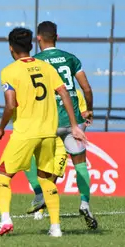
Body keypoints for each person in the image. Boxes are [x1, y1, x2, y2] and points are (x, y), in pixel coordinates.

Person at [0, 27, 86, 238]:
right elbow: (64, 92)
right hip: (48, 133)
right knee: (46, 179)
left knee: (2, 176)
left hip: (25, 132)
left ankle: (5, 220)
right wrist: (74, 125)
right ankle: (56, 227)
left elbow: (10, 105)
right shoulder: (45, 67)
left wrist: (0, 128)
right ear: (31, 45)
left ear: (11, 48)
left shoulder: (9, 71)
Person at [23, 21, 97, 229]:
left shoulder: (35, 61)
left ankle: (41, 199)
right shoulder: (71, 59)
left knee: (42, 165)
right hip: (73, 122)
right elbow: (87, 89)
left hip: (47, 121)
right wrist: (89, 109)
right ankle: (84, 203)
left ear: (39, 38)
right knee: (80, 162)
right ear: (57, 36)